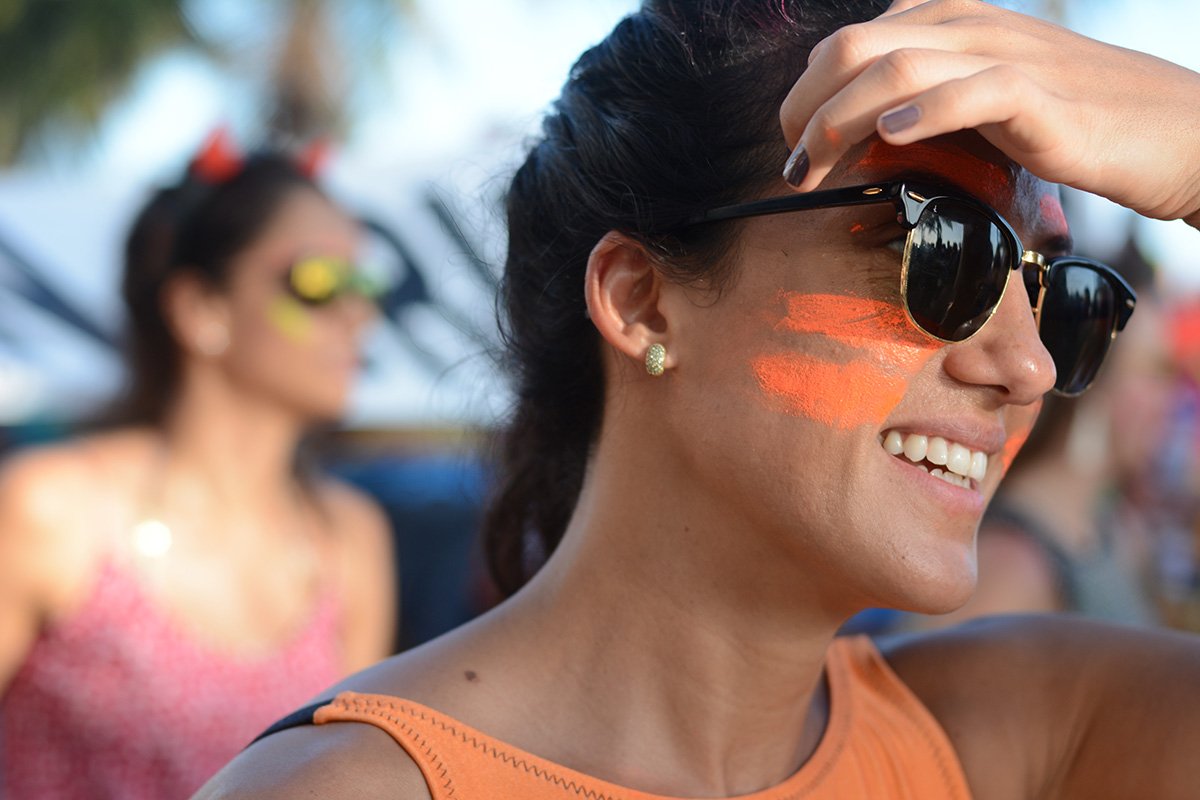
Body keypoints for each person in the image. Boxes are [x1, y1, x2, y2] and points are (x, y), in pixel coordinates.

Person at [198, 1, 1200, 798]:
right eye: (941, 250)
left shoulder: (1029, 738)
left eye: (1057, 295)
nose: (1026, 365)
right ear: (642, 301)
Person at [0, 137, 397, 799]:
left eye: (366, 284)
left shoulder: (350, 540)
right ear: (199, 309)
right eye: (320, 283)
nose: (358, 315)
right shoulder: (55, 510)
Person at [913, 242, 1175, 627]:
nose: (1170, 399)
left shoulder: (1115, 531)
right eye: (1155, 372)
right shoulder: (1009, 567)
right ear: (1089, 380)